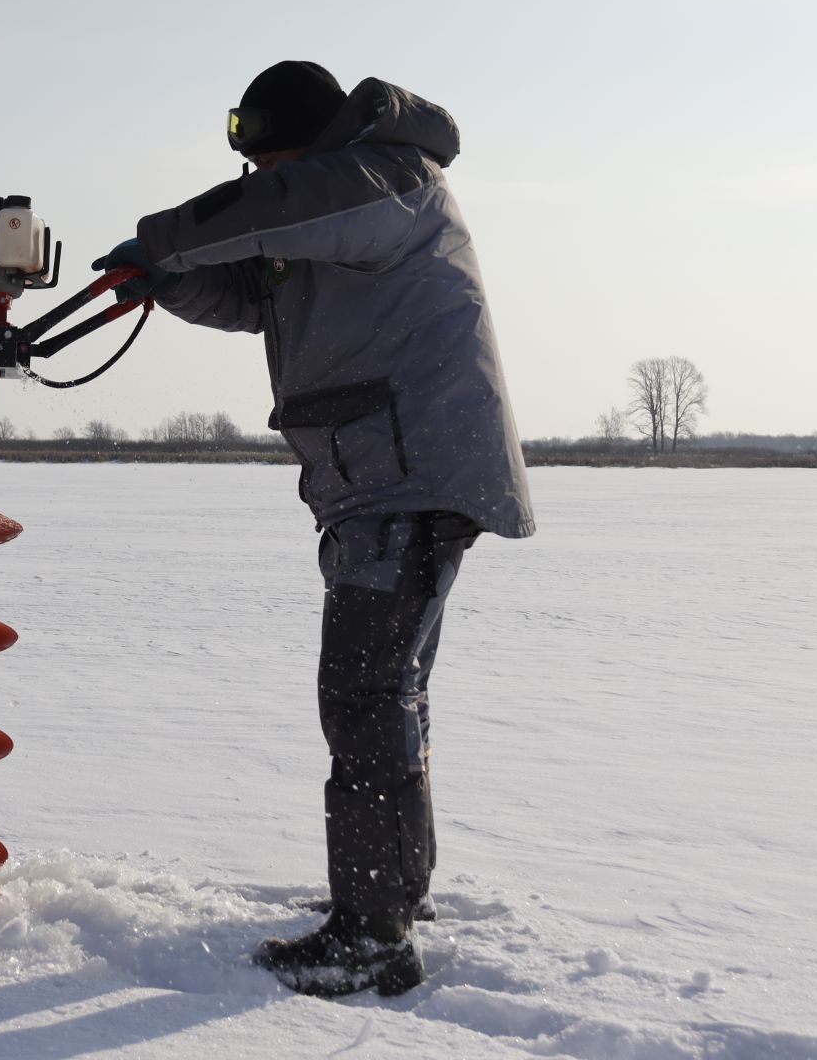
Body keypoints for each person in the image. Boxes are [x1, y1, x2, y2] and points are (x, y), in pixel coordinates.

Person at [94, 61, 533, 996]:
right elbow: (253, 289)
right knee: (390, 694)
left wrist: (159, 238)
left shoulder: (383, 178)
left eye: (269, 161)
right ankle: (390, 895)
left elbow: (280, 208)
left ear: (307, 143)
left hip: (406, 474)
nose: (260, 181)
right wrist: (164, 278)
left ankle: (373, 933)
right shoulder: (326, 211)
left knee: (364, 696)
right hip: (380, 473)